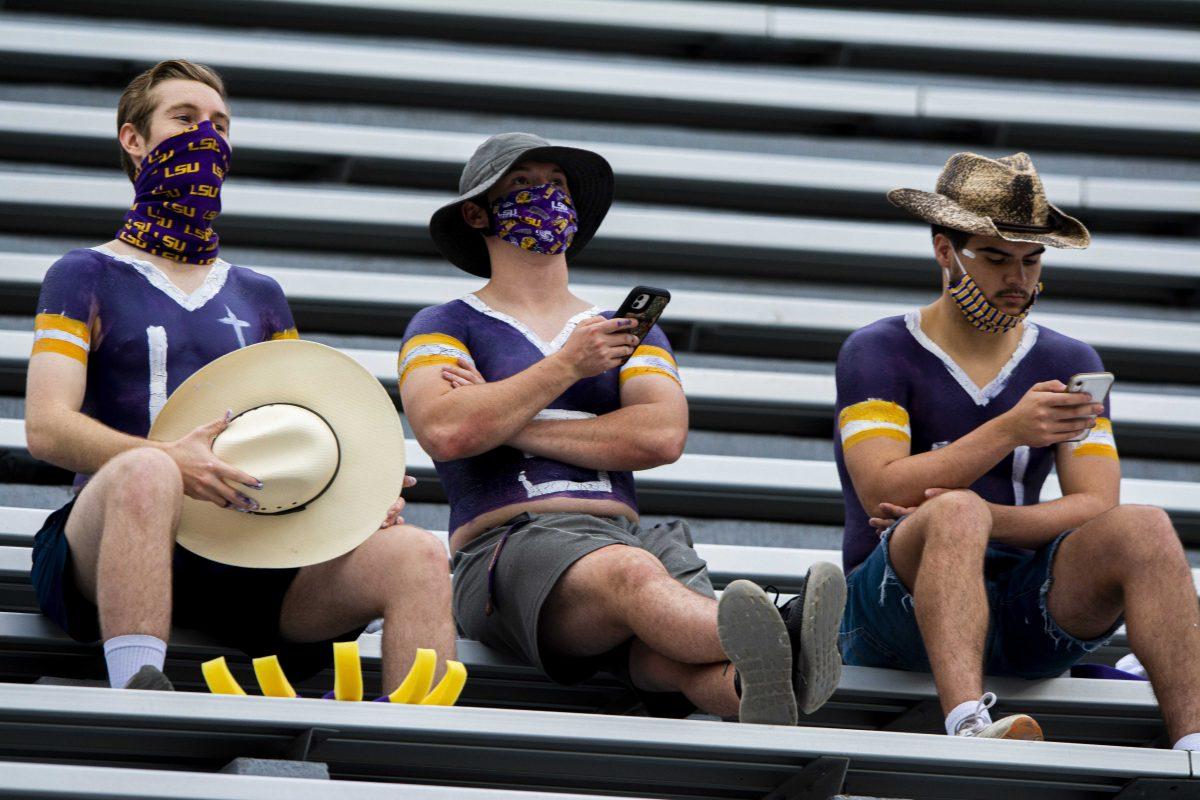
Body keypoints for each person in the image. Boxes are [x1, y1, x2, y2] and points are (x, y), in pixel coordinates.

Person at [25, 60, 455, 695]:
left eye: (219, 125)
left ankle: (423, 745)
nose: (207, 136)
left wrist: (361, 502)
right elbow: (46, 427)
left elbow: (307, 424)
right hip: (116, 533)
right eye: (185, 119)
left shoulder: (261, 293)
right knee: (149, 471)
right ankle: (137, 690)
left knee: (417, 553)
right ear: (133, 140)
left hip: (251, 546)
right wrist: (172, 460)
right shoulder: (84, 274)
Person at [400, 132, 846, 724]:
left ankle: (756, 695)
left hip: (630, 539)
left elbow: (659, 436)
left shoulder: (629, 328)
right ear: (477, 213)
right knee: (634, 575)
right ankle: (790, 632)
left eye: (556, 185)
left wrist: (508, 422)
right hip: (510, 551)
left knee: (679, 658)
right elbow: (448, 431)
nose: (547, 196)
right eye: (524, 184)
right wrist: (568, 367)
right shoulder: (442, 324)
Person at [834, 152, 1200, 748]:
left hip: (1020, 601)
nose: (1019, 280)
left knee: (1146, 528)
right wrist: (1007, 430)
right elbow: (881, 489)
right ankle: (967, 724)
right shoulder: (876, 349)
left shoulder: (1071, 360)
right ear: (944, 251)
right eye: (998, 259)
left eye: (1032, 261)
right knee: (954, 513)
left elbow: (1097, 506)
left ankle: (1195, 739)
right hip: (891, 610)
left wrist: (989, 521)